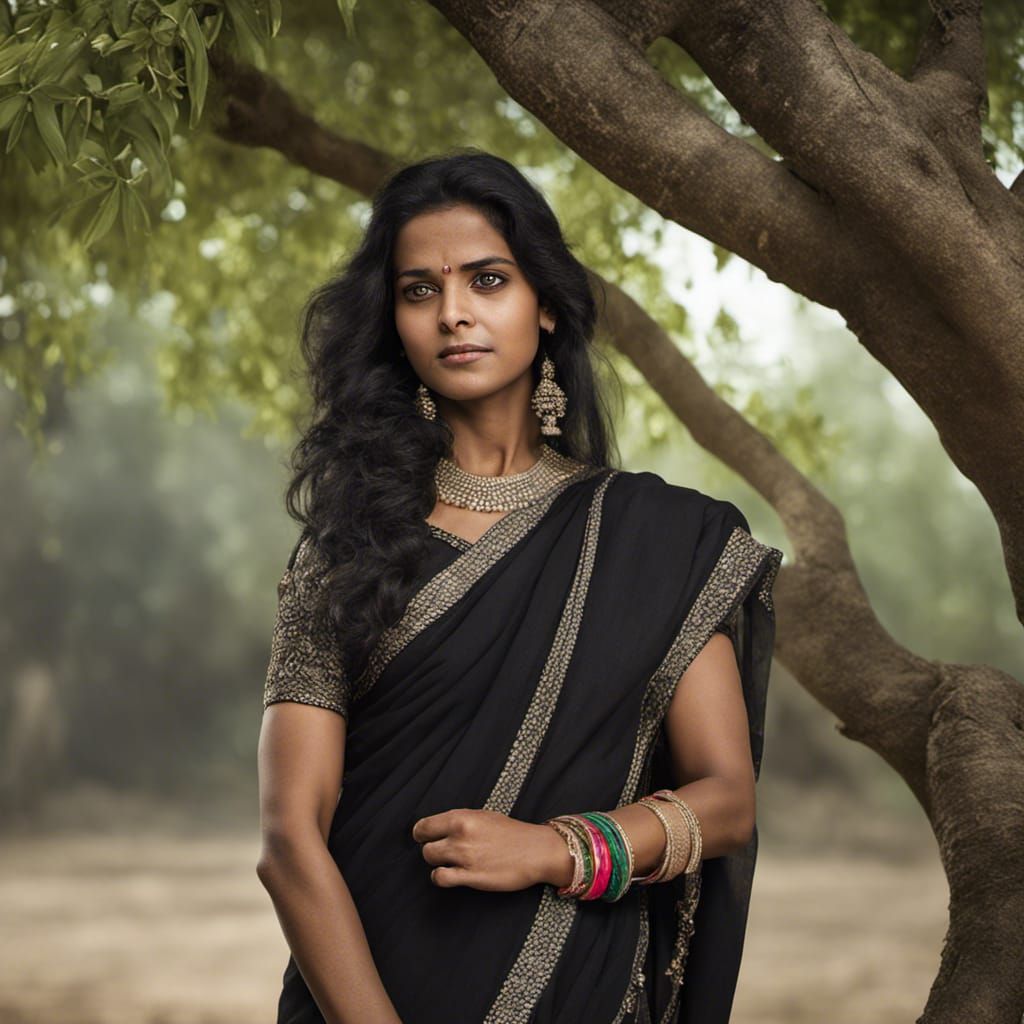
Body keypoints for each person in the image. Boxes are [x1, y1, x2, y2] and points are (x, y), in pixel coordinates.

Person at [256, 148, 783, 1024]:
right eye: (420, 290)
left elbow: (725, 802)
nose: (453, 313)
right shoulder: (345, 552)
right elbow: (287, 842)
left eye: (487, 280)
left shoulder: (657, 543)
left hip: (576, 991)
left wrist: (555, 850)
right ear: (393, 320)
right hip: (365, 992)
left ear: (544, 305)